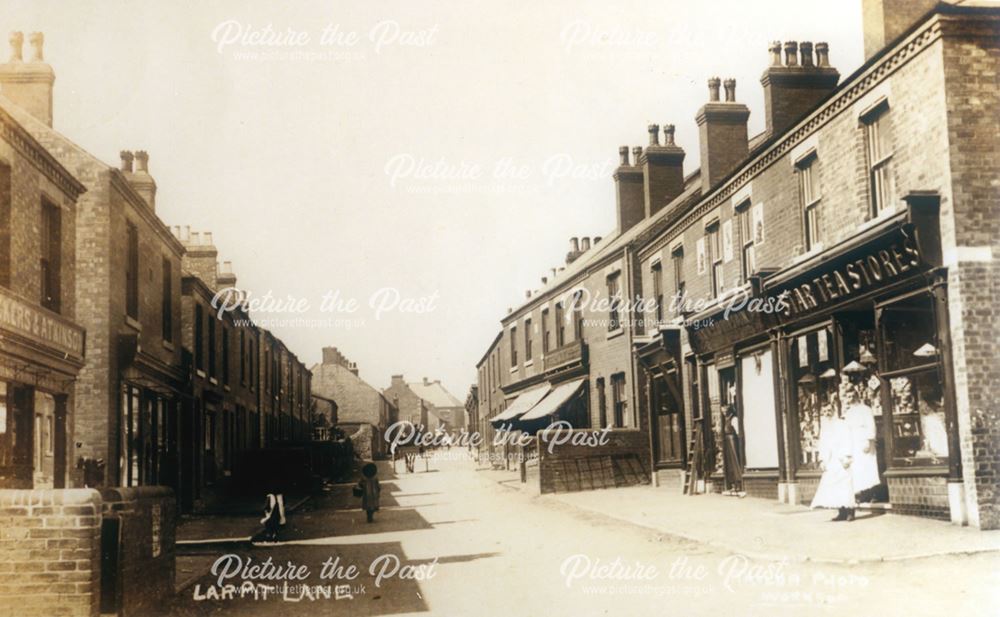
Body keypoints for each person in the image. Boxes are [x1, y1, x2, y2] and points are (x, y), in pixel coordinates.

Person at [810, 406, 856, 521]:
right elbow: (823, 445)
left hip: (841, 459)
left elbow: (847, 440)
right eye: (824, 411)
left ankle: (850, 512)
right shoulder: (825, 427)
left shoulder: (841, 424)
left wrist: (846, 457)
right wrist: (822, 460)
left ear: (834, 411)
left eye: (829, 411)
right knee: (835, 486)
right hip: (831, 460)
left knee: (845, 485)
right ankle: (841, 512)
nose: (827, 413)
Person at [843, 390, 880, 503]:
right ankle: (863, 494)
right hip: (854, 442)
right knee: (858, 468)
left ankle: (875, 493)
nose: (851, 398)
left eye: (852, 396)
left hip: (864, 441)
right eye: (848, 396)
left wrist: (869, 441)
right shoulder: (848, 413)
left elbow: (871, 426)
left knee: (869, 467)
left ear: (857, 396)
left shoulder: (866, 409)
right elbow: (847, 429)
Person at [722, 405, 744, 495]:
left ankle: (738, 483)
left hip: (732, 440)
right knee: (730, 462)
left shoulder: (733, 419)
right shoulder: (727, 419)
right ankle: (733, 484)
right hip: (727, 440)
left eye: (725, 411)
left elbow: (738, 432)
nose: (723, 413)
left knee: (734, 461)